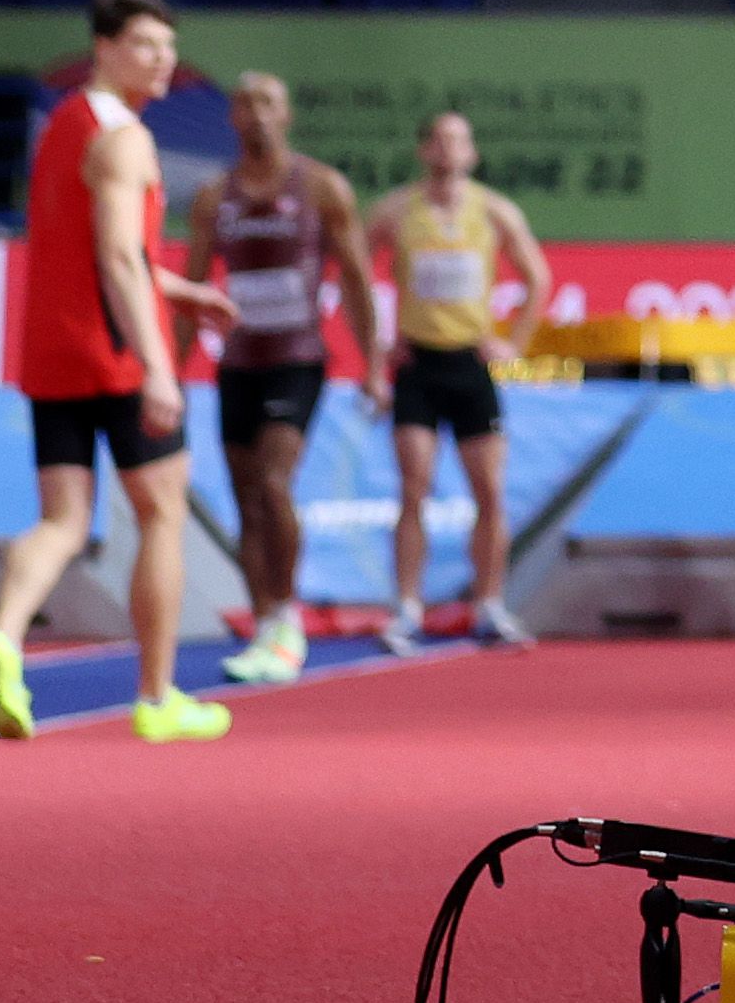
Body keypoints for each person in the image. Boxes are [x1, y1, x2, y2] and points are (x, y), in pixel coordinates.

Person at [0, 0, 238, 742]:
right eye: (147, 45)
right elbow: (121, 258)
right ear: (105, 48)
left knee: (62, 520)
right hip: (118, 350)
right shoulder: (126, 140)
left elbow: (99, 249)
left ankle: (6, 634)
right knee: (161, 513)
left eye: (168, 47)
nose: (165, 61)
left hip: (51, 348)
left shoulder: (62, 126)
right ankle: (157, 698)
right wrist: (158, 365)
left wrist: (182, 287)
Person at [184, 67, 378, 690]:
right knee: (245, 501)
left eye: (269, 101)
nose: (258, 112)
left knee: (273, 484)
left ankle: (288, 616)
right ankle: (265, 622)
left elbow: (354, 279)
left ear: (286, 114)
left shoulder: (322, 187)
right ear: (233, 119)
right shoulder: (216, 196)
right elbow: (191, 288)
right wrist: (165, 367)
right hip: (238, 361)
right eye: (245, 104)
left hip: (298, 358)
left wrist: (373, 362)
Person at [366, 108, 550, 655]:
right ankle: (407, 607)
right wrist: (378, 346)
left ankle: (489, 603)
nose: (449, 150)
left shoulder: (495, 213)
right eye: (439, 141)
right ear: (424, 150)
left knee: (489, 492)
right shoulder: (396, 212)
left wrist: (512, 343)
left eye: (459, 141)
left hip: (472, 364)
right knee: (414, 487)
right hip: (418, 365)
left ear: (471, 153)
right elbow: (352, 265)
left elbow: (538, 278)